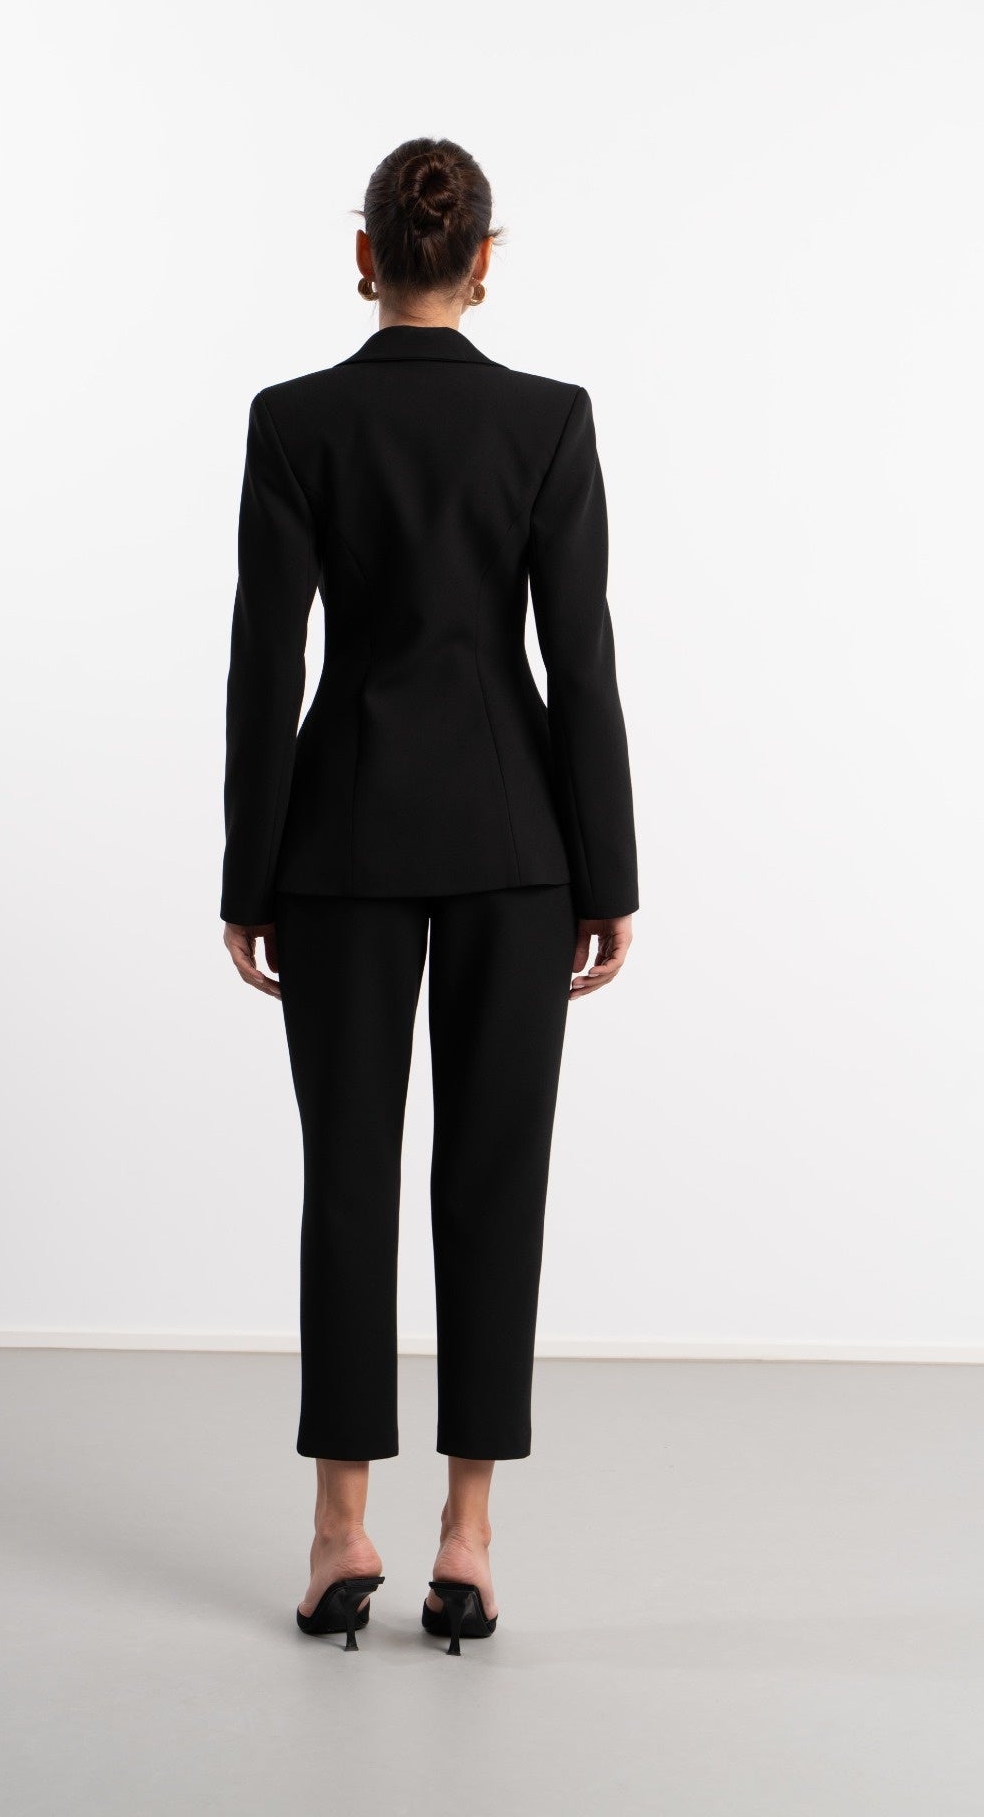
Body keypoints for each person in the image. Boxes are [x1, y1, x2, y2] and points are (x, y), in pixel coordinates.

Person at [219, 136, 639, 1654]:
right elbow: (577, 658)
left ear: (364, 257)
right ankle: (467, 1535)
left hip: (338, 845)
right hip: (518, 846)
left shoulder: (295, 421)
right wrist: (609, 871)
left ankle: (340, 1529)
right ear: (482, 264)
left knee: (347, 1176)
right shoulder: (546, 419)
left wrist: (248, 872)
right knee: (492, 1181)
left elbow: (266, 663)